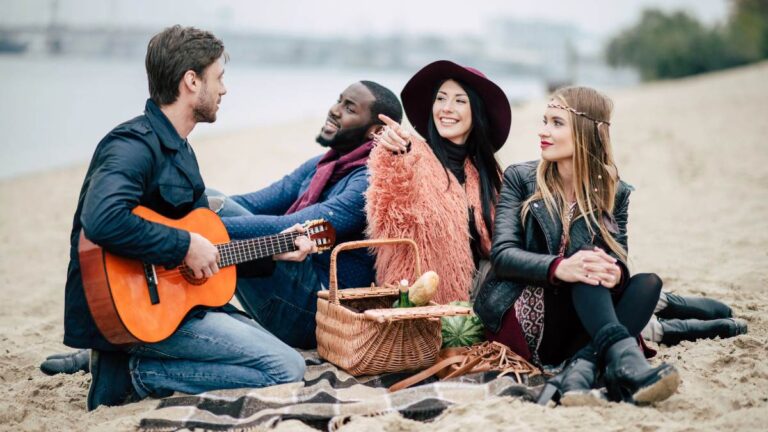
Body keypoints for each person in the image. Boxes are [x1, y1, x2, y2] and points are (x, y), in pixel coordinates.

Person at [61, 25, 313, 411]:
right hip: (131, 311)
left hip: (174, 307)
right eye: (219, 77)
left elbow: (206, 248)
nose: (224, 89)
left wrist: (273, 252)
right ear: (191, 81)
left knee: (286, 360)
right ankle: (137, 374)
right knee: (286, 368)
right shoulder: (131, 145)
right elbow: (103, 219)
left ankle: (135, 366)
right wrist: (183, 245)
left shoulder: (181, 151)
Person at [473, 86, 680, 406]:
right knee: (586, 269)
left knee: (645, 283)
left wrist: (616, 275)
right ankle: (623, 368)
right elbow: (503, 256)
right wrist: (561, 267)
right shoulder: (521, 178)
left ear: (585, 132)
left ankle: (580, 369)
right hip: (527, 310)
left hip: (583, 313)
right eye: (544, 121)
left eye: (556, 123)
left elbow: (617, 255)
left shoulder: (615, 192)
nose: (543, 131)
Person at [204, 80, 403, 349]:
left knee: (213, 214)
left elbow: (291, 226)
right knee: (211, 199)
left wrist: (191, 232)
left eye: (349, 108)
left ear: (375, 131)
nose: (334, 110)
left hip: (317, 314)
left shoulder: (370, 182)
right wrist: (186, 220)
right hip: (293, 293)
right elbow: (253, 202)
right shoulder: (324, 165)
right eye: (338, 100)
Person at [367, 60, 510, 303]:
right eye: (441, 99)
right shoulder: (413, 154)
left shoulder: (486, 173)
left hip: (478, 302)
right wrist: (397, 156)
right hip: (419, 302)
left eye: (460, 101)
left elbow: (500, 244)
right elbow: (389, 222)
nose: (446, 108)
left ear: (477, 112)